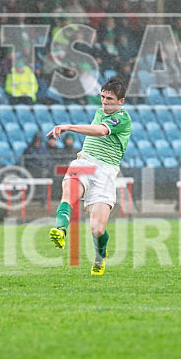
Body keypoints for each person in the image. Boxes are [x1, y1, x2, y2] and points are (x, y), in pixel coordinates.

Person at [46, 78, 132, 276]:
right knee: (68, 195)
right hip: (84, 162)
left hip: (106, 173)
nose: (104, 102)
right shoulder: (101, 112)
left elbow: (101, 131)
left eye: (110, 99)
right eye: (102, 97)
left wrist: (69, 126)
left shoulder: (123, 118)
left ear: (121, 101)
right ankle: (60, 230)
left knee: (97, 229)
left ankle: (100, 258)